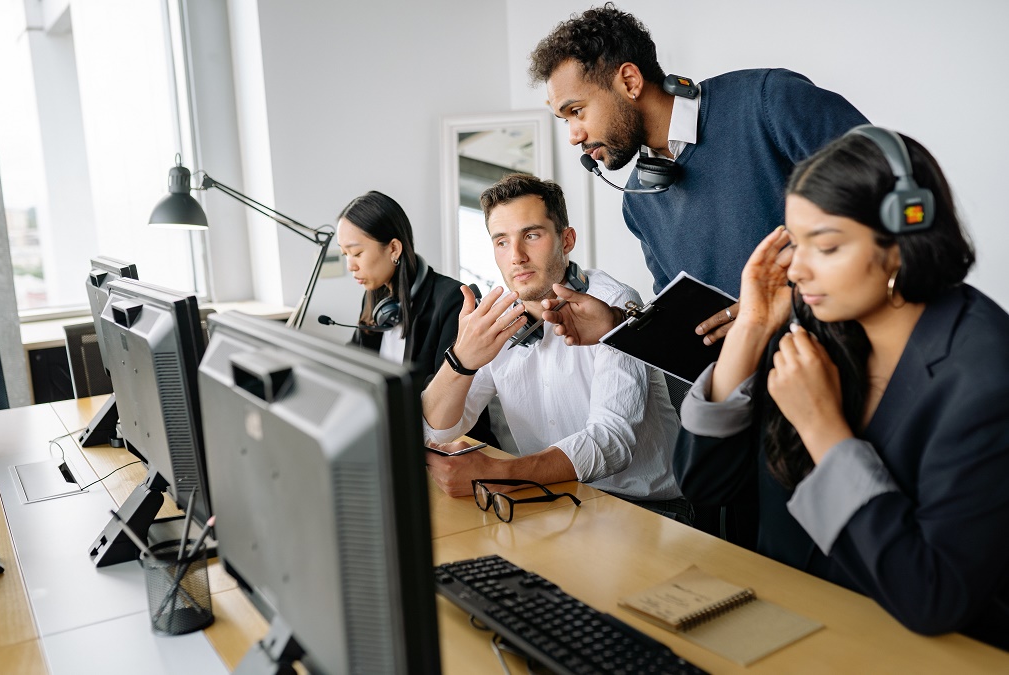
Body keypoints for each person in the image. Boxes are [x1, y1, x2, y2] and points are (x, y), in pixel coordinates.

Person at [673, 126, 1009, 649]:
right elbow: (704, 485)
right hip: (779, 631)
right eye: (795, 242)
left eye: (825, 246)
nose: (798, 269)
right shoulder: (814, 322)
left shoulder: (987, 375)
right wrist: (753, 327)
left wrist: (822, 428)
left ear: (904, 236)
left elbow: (935, 597)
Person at [527, 3, 868, 347]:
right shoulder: (639, 202)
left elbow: (884, 198)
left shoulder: (767, 102)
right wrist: (617, 324)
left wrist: (782, 305)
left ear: (629, 81)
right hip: (757, 394)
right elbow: (688, 324)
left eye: (577, 111)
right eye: (566, 119)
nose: (574, 135)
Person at [422, 174, 686, 520]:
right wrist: (460, 361)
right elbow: (438, 430)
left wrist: (500, 473)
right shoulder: (496, 319)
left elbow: (611, 442)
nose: (516, 256)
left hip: (645, 508)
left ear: (567, 239)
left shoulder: (614, 304)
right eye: (501, 242)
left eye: (531, 235)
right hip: (555, 499)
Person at [336, 191, 465, 388]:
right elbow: (355, 359)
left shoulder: (450, 300)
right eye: (345, 254)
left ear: (394, 249)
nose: (350, 266)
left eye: (357, 253)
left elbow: (447, 393)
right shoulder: (374, 297)